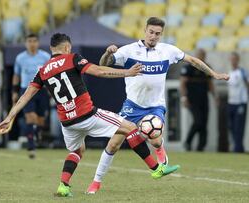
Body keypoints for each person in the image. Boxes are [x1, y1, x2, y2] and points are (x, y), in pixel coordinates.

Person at [0, 33, 179, 197]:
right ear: (67, 47)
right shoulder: (72, 58)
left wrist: (9, 117)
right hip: (87, 115)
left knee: (77, 151)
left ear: (52, 49)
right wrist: (127, 72)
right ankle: (156, 169)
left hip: (67, 122)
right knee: (130, 128)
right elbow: (99, 70)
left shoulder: (42, 71)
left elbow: (24, 97)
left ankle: (63, 186)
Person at [87, 17, 229, 194]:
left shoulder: (168, 51)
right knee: (114, 144)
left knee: (153, 136)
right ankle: (96, 182)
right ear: (145, 30)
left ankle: (161, 157)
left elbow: (193, 61)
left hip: (155, 106)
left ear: (161, 35)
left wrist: (214, 74)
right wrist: (108, 53)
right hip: (132, 105)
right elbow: (102, 65)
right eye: (151, 32)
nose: (153, 36)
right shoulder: (129, 50)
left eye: (158, 34)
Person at [12, 34, 50, 159]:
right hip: (26, 90)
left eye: (34, 41)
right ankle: (31, 146)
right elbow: (16, 75)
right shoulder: (20, 58)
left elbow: (51, 74)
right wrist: (15, 91)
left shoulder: (45, 56)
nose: (32, 43)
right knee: (30, 118)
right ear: (26, 43)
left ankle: (37, 133)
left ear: (38, 43)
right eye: (29, 41)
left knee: (40, 120)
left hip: (42, 90)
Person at [180, 49, 217, 151]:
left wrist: (215, 97)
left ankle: (201, 147)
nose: (202, 58)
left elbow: (210, 83)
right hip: (192, 99)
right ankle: (188, 142)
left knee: (204, 122)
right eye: (200, 56)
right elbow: (182, 83)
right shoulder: (189, 67)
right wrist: (184, 97)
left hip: (204, 98)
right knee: (198, 121)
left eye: (203, 56)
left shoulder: (207, 68)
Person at [227, 52, 248, 153]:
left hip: (240, 103)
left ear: (238, 60)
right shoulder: (230, 72)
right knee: (231, 127)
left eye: (235, 59)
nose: (233, 61)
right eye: (231, 59)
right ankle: (238, 147)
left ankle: (237, 149)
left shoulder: (242, 72)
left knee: (239, 127)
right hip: (231, 103)